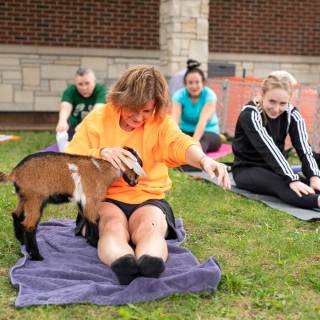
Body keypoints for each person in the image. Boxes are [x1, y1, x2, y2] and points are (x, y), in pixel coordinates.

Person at [66, 65, 231, 285]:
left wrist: (204, 160)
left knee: (150, 227)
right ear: (121, 99)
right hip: (105, 197)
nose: (138, 118)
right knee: (112, 226)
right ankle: (122, 263)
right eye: (133, 109)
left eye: (146, 111)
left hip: (148, 198)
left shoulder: (160, 123)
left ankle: (150, 263)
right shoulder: (98, 119)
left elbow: (180, 143)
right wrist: (101, 153)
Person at [232, 73, 320, 209]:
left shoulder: (293, 114)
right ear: (262, 94)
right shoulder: (250, 114)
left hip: (275, 168)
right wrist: (292, 179)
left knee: (311, 174)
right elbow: (269, 150)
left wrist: (314, 176)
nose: (276, 109)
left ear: (290, 100)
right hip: (247, 169)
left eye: (282, 103)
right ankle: (317, 201)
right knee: (282, 183)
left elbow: (304, 149)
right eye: (272, 101)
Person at [171, 61, 221, 153]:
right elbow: (174, 120)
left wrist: (193, 143)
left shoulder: (210, 95)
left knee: (201, 142)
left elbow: (203, 120)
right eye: (190, 83)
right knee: (177, 142)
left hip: (208, 131)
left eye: (197, 82)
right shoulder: (178, 96)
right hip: (185, 130)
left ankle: (194, 161)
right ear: (185, 84)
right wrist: (173, 138)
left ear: (203, 83)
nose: (194, 86)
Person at [56, 67, 107, 141]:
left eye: (87, 83)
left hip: (95, 126)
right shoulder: (71, 90)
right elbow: (65, 108)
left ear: (94, 82)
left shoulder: (102, 91)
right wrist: (62, 121)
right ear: (75, 84)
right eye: (80, 84)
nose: (84, 88)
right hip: (74, 126)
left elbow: (97, 111)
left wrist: (84, 124)